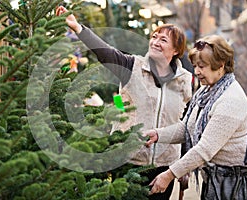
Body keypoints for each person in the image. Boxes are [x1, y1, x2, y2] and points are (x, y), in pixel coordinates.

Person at [56, 6, 193, 199]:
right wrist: (78, 28)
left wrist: (183, 166)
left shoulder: (185, 80)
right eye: (154, 37)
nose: (155, 42)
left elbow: (186, 124)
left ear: (176, 50)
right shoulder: (131, 66)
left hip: (164, 167)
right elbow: (105, 52)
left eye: (163, 40)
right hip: (129, 162)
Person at [143, 35, 247, 198]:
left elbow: (205, 149)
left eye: (202, 66)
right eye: (195, 66)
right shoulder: (206, 91)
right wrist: (158, 134)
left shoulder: (231, 100)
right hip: (214, 179)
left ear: (220, 66)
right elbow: (187, 127)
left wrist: (169, 175)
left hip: (234, 182)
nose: (196, 72)